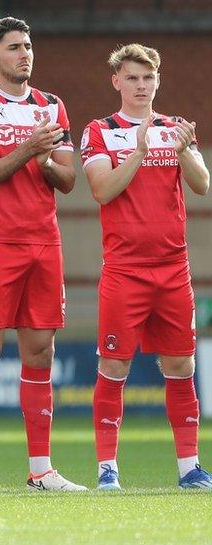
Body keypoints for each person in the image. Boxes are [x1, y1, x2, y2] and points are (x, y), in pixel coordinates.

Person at [0, 17, 85, 492]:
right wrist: (29, 149)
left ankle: (41, 469)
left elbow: (69, 181)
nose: (24, 54)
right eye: (14, 47)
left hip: (44, 242)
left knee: (40, 353)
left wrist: (45, 159)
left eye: (28, 46)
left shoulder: (52, 106)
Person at [80, 44, 211, 490]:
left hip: (174, 270)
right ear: (116, 81)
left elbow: (202, 184)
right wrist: (136, 153)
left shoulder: (175, 129)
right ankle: (107, 470)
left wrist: (187, 150)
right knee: (114, 368)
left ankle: (190, 468)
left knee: (181, 368)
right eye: (132, 78)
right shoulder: (100, 131)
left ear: (158, 81)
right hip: (124, 271)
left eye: (147, 78)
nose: (141, 86)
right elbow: (102, 190)